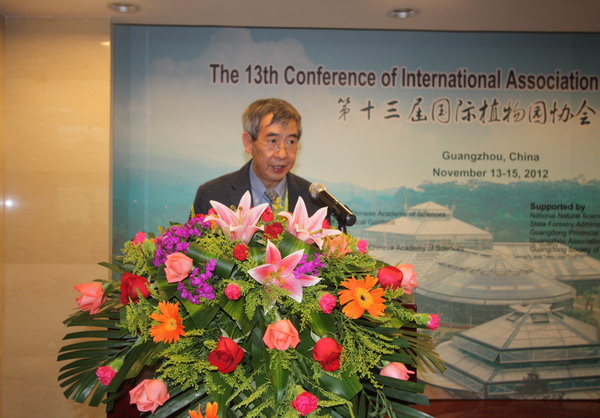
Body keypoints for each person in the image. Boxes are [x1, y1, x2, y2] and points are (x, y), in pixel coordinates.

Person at [192, 98, 322, 217]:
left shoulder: (315, 201)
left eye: (290, 142)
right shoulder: (212, 196)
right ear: (248, 143)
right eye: (272, 141)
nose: (282, 154)